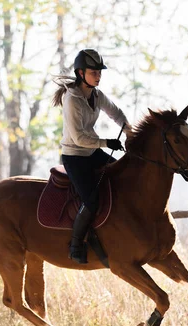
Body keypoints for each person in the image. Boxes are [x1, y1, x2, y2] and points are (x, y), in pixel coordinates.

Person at [52, 48, 132, 264]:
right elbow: (78, 139)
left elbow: (115, 112)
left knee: (123, 179)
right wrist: (107, 142)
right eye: (94, 72)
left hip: (92, 151)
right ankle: (76, 244)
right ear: (81, 73)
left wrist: (129, 132)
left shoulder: (96, 95)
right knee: (92, 200)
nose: (98, 76)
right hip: (74, 157)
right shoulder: (72, 100)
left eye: (99, 72)